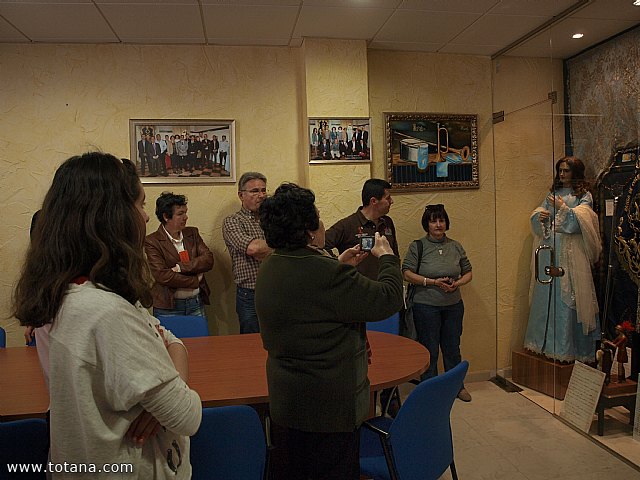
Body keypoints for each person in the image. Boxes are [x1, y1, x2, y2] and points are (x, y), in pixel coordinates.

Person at [13, 152, 201, 478]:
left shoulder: (74, 293)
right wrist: (170, 399)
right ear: (110, 217)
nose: (144, 218)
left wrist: (163, 400)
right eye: (140, 205)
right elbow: (187, 415)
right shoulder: (108, 314)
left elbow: (171, 340)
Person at [255, 183, 403, 480]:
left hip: (286, 403)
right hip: (329, 410)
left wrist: (338, 263)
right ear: (310, 232)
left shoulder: (271, 267)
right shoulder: (326, 273)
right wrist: (386, 255)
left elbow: (307, 302)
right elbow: (389, 298)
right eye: (319, 216)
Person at [325, 178, 400, 413]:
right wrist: (340, 266)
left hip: (385, 297)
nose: (391, 201)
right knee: (364, 356)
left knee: (390, 354)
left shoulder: (387, 224)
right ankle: (364, 403)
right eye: (388, 197)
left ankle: (391, 398)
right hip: (358, 301)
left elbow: (392, 254)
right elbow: (322, 246)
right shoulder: (348, 225)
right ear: (374, 201)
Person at [524, 156, 601, 363]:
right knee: (547, 292)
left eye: (566, 171)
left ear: (575, 172)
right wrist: (539, 216)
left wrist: (563, 209)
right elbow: (541, 212)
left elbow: (584, 221)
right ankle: (544, 344)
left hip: (571, 252)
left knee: (568, 297)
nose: (562, 174)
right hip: (551, 250)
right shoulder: (553, 193)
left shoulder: (583, 196)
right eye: (560, 170)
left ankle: (567, 349)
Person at [402, 204, 473, 402]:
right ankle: (429, 391)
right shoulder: (418, 246)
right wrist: (432, 282)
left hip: (453, 305)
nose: (438, 224)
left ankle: (456, 387)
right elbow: (406, 273)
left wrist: (456, 283)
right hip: (426, 306)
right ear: (427, 224)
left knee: (452, 348)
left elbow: (468, 272)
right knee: (429, 349)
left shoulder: (456, 246)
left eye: (441, 220)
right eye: (434, 221)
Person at [145, 192, 214, 318]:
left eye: (185, 212)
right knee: (168, 338)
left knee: (200, 338)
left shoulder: (192, 233)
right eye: (180, 214)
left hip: (195, 302)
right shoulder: (152, 241)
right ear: (166, 216)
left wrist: (181, 268)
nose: (186, 217)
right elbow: (162, 275)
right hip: (168, 307)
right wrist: (195, 280)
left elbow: (208, 259)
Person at [222, 172, 272, 333]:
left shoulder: (272, 219)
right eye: (255, 191)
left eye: (263, 190)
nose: (261, 195)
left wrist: (266, 249)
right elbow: (253, 249)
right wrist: (278, 246)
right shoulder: (233, 221)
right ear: (241, 195)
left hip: (275, 289)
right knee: (251, 343)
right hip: (249, 294)